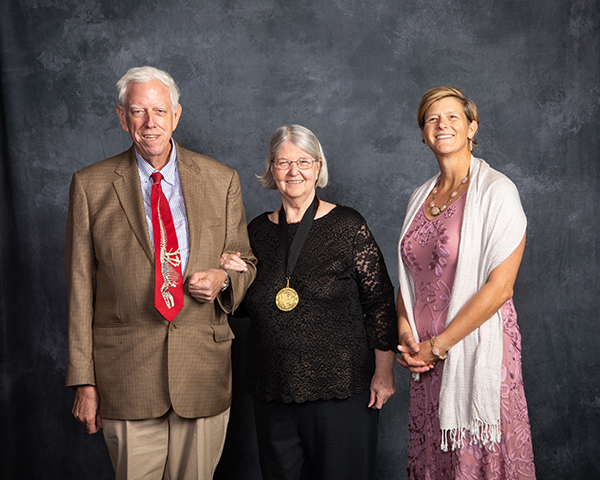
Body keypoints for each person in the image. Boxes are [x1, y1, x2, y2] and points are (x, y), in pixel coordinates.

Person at [65, 66, 257, 480]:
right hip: (126, 377)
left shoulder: (222, 180)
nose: (150, 123)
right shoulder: (90, 186)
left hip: (201, 372)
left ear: (176, 115)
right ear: (122, 117)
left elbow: (246, 265)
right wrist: (84, 381)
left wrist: (223, 280)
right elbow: (80, 289)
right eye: (138, 112)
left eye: (159, 111)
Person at [219, 124, 398, 480]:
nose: (293, 171)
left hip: (341, 391)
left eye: (303, 161)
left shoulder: (348, 225)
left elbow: (379, 303)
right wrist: (230, 276)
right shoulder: (256, 231)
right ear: (272, 169)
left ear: (318, 167)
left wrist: (384, 372)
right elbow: (241, 310)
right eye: (284, 162)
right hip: (273, 391)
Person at [396, 86, 536, 479]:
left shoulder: (497, 192)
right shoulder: (419, 197)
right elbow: (409, 278)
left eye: (453, 117)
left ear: (472, 127)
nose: (443, 125)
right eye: (432, 119)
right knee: (435, 462)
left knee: (476, 460)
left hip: (471, 351)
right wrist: (406, 328)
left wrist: (439, 347)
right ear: (424, 133)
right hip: (424, 360)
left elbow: (500, 287)